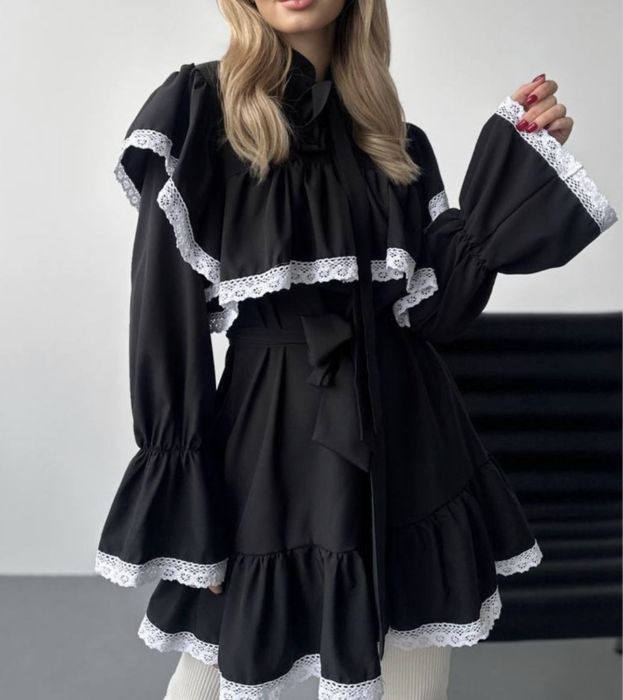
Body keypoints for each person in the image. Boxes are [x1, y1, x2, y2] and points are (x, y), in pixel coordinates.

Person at [94, 0, 618, 698]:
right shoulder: (199, 112)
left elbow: (436, 315)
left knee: (412, 674)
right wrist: (189, 504)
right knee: (216, 673)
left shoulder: (395, 141)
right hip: (267, 439)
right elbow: (163, 320)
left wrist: (520, 168)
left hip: (409, 434)